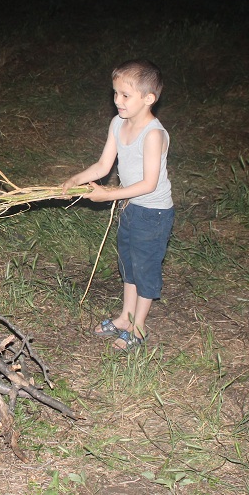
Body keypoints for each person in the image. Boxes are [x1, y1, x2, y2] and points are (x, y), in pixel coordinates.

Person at [61, 59, 175, 351]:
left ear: (149, 98)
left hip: (153, 213)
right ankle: (125, 317)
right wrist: (75, 179)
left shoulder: (153, 134)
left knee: (145, 267)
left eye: (126, 95)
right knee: (129, 263)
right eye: (115, 93)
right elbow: (103, 165)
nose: (117, 101)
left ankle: (139, 327)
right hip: (129, 208)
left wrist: (108, 195)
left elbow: (149, 184)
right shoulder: (117, 124)